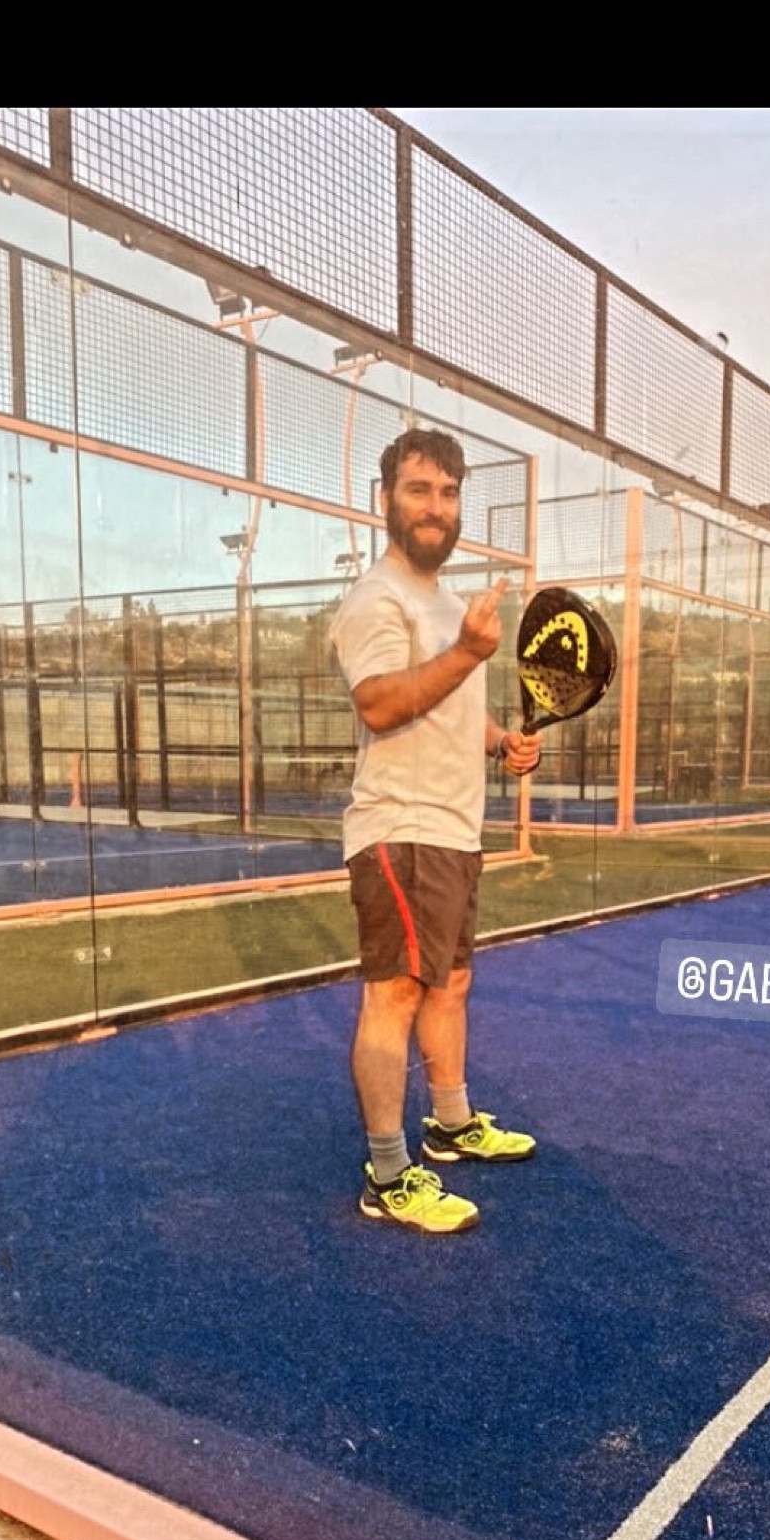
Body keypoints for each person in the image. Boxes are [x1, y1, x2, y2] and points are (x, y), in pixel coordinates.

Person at [329, 428, 543, 1234]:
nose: (436, 507)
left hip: (454, 830)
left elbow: (449, 703)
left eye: (449, 493)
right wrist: (468, 653)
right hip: (402, 828)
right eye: (419, 490)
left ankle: (450, 1124)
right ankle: (387, 1175)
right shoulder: (376, 599)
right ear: (385, 498)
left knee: (450, 983)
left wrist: (500, 741)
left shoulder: (450, 608)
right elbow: (382, 702)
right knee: (395, 992)